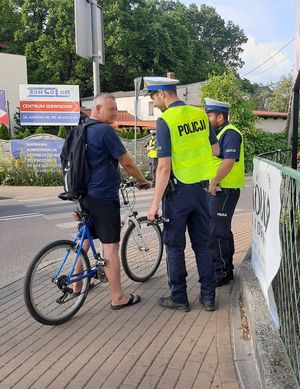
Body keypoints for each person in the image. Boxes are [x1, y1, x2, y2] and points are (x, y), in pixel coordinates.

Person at [145, 76, 220, 312]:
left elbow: (164, 167)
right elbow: (215, 149)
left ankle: (179, 297)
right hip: (201, 190)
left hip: (178, 194)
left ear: (163, 94)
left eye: (154, 97)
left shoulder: (166, 120)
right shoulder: (200, 114)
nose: (154, 102)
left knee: (175, 246)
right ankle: (208, 297)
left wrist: (154, 205)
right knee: (203, 245)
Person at [73, 93, 151, 309]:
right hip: (103, 196)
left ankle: (76, 285)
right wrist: (142, 180)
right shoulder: (105, 131)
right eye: (112, 109)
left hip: (84, 195)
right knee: (110, 247)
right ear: (98, 108)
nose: (115, 113)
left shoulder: (82, 129)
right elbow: (125, 162)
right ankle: (118, 297)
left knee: (86, 240)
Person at [204, 98, 245, 287]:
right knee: (222, 231)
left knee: (216, 232)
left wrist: (214, 182)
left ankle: (219, 274)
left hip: (224, 189)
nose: (207, 118)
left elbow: (228, 161)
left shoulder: (230, 133)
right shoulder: (217, 133)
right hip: (220, 189)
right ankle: (226, 270)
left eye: (210, 115)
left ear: (220, 116)